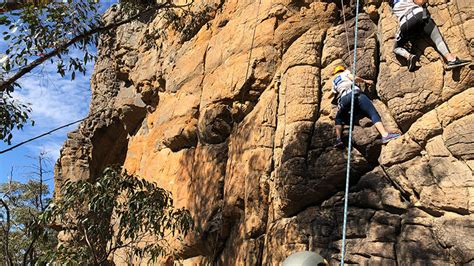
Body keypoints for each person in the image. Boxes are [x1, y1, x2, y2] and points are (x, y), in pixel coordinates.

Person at [391, 0, 471, 71]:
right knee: (437, 39)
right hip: (419, 15)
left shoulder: (393, 4)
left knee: (397, 47)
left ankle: (408, 56)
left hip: (406, 24)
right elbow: (420, 1)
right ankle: (451, 60)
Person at [331, 65, 400, 148]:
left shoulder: (334, 81)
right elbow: (354, 79)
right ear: (343, 70)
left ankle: (338, 140)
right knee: (372, 113)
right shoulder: (345, 73)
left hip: (343, 99)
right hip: (354, 94)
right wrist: (365, 81)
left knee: (338, 119)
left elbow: (333, 93)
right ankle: (385, 135)